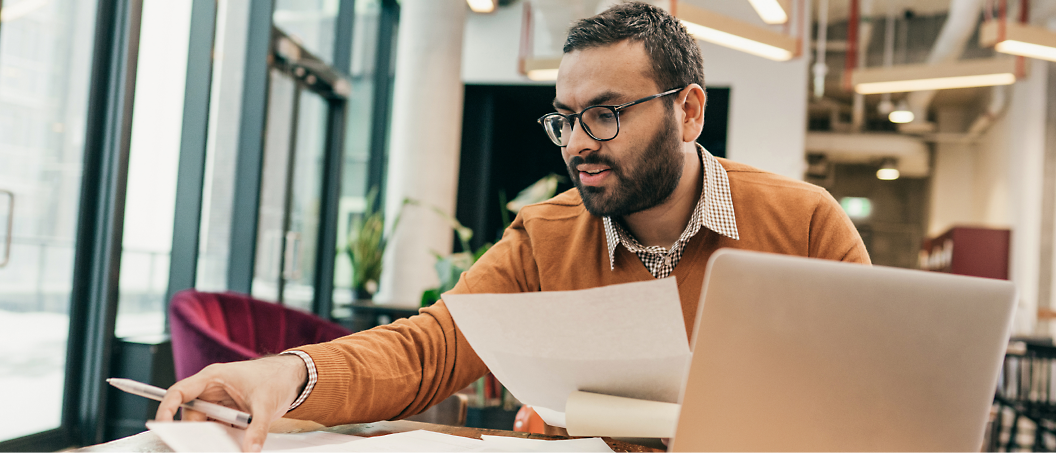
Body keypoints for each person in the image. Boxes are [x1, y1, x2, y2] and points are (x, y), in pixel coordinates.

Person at [156, 3, 870, 452]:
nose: (577, 143)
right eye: (565, 117)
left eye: (606, 113)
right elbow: (429, 348)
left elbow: (868, 401)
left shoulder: (804, 224)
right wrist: (290, 371)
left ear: (688, 111)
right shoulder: (545, 235)